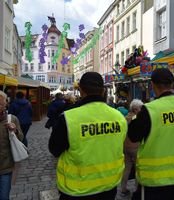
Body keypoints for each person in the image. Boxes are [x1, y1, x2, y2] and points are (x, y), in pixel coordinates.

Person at [48, 72, 127, 200]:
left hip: (76, 190)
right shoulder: (119, 117)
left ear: (81, 90)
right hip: (108, 186)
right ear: (103, 91)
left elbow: (54, 150)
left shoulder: (68, 118)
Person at [128, 68, 174, 200]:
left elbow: (133, 136)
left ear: (152, 85)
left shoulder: (150, 109)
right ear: (172, 85)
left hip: (154, 179)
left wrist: (134, 118)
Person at [0, 91, 23, 200]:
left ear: (5, 104)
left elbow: (21, 138)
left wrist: (15, 131)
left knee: (4, 197)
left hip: (5, 166)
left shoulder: (12, 119)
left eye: (0, 104)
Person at [120, 99, 144, 197]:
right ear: (136, 109)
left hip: (125, 147)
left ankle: (123, 190)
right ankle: (137, 190)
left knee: (126, 169)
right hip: (135, 147)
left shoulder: (125, 118)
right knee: (138, 169)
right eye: (140, 108)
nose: (141, 110)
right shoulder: (137, 118)